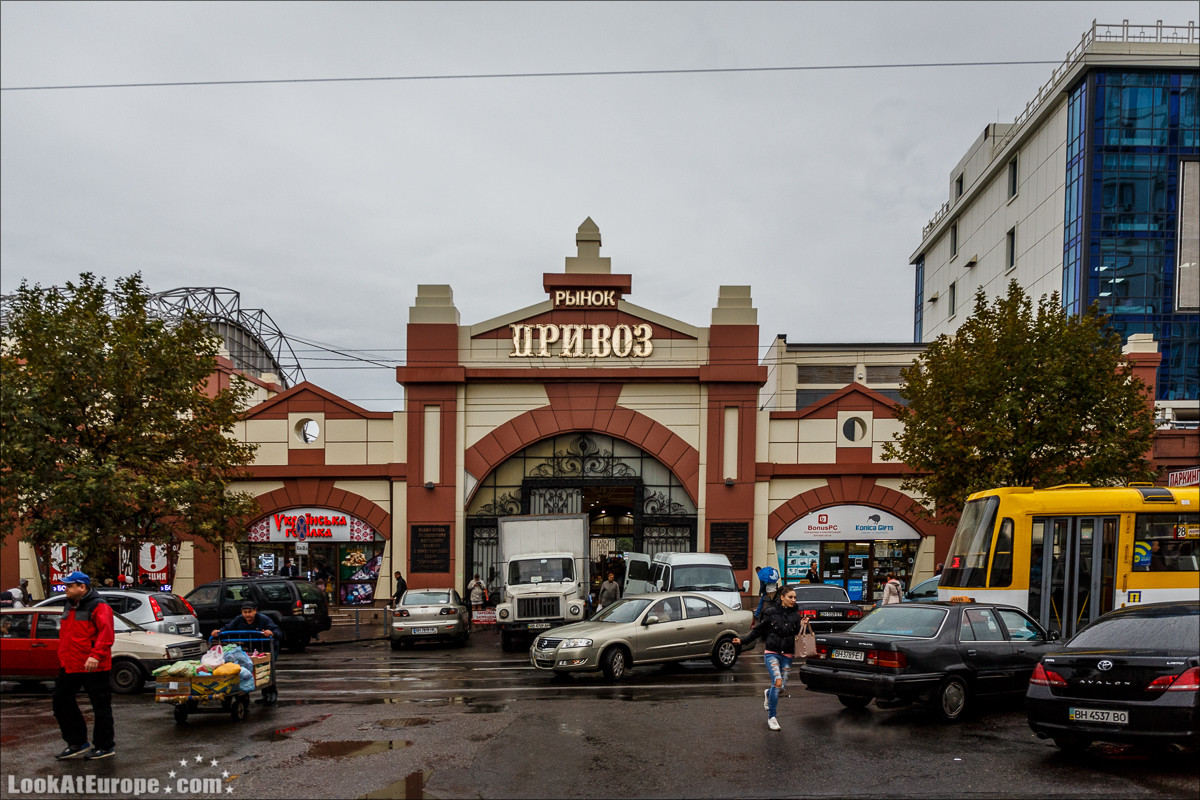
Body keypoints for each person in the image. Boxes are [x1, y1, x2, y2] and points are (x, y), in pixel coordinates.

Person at [53, 571, 116, 760]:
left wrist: (95, 656)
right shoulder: (69, 605)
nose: (65, 589)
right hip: (71, 664)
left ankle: (105, 745)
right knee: (60, 701)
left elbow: (106, 634)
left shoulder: (99, 606)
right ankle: (77, 742)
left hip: (94, 665)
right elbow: (67, 635)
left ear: (82, 587)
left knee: (100, 706)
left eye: (69, 586)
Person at [734, 585, 802, 731]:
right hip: (772, 653)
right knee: (777, 683)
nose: (793, 600)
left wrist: (803, 625)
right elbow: (758, 630)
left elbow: (797, 634)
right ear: (782, 597)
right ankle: (772, 717)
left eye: (795, 598)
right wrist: (743, 640)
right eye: (790, 597)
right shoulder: (771, 612)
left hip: (787, 655)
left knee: (780, 688)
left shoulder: (796, 615)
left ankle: (768, 693)